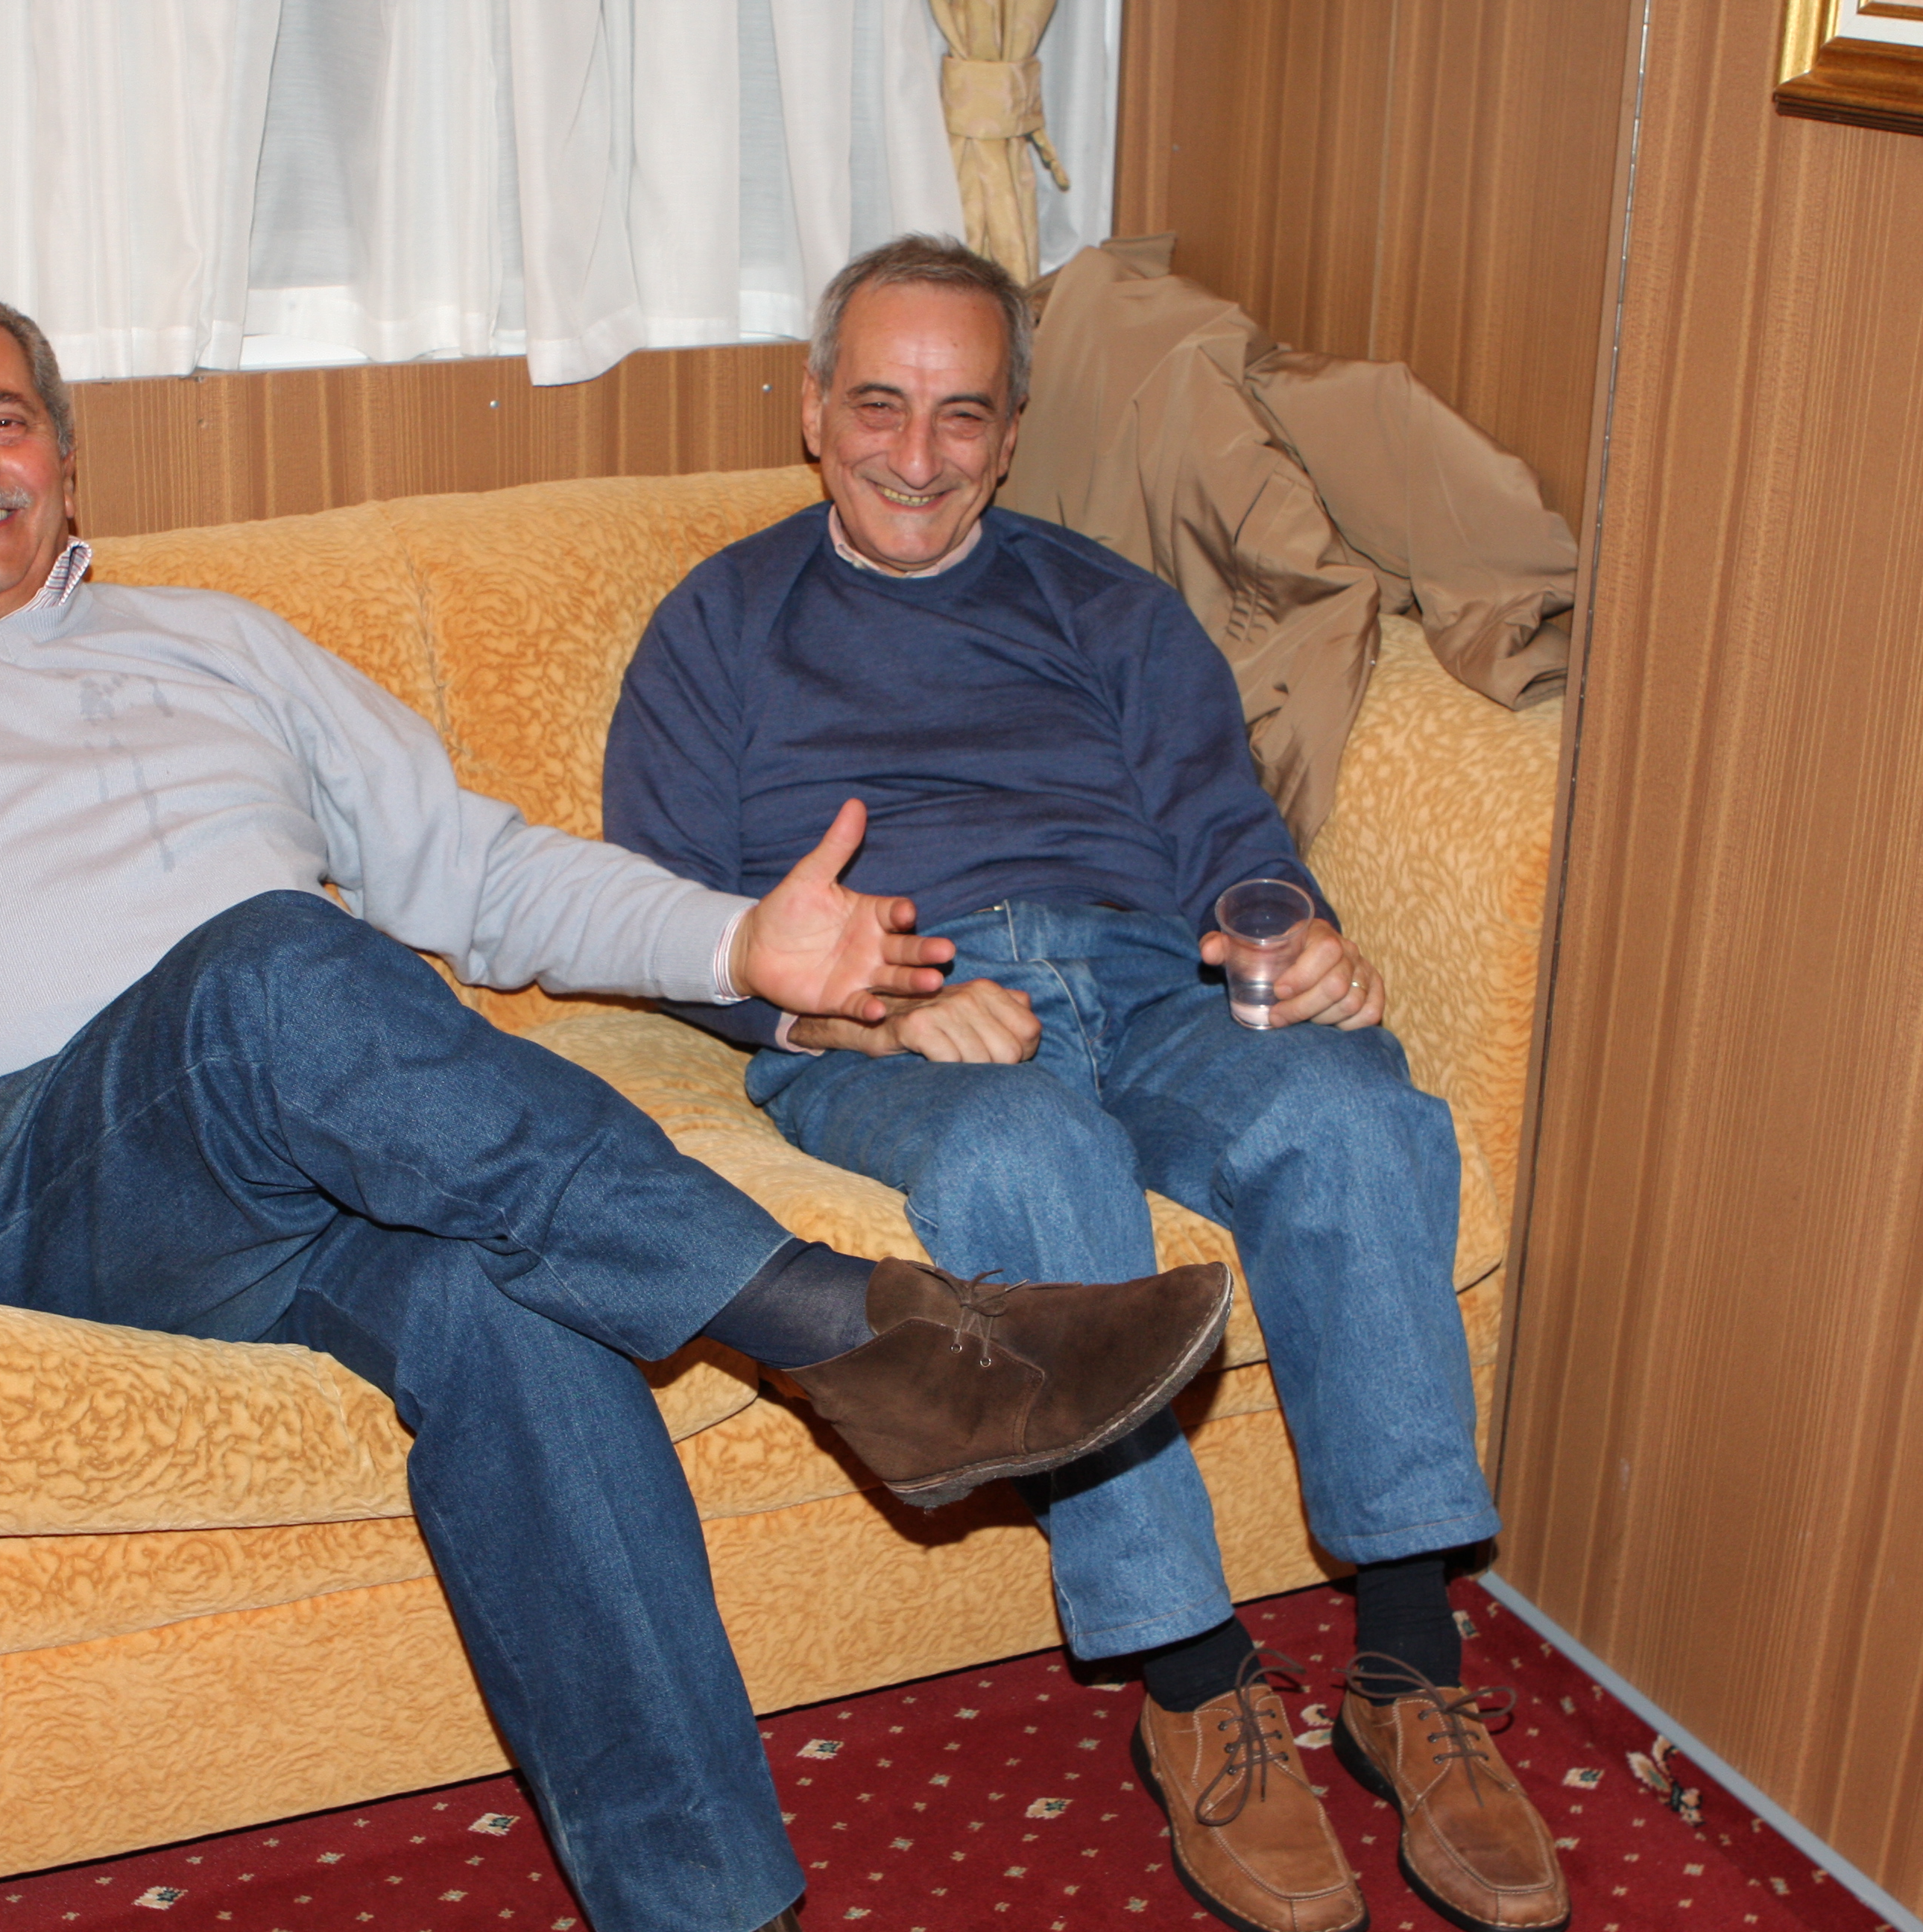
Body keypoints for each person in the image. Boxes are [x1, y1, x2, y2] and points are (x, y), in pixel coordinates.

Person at [0, 285, 1237, 1932]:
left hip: (311, 1155)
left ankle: (709, 1907)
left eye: (6, 418)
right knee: (276, 963)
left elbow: (477, 871)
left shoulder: (229, 648)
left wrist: (736, 943)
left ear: (65, 456)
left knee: (519, 1320)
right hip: (29, 1172)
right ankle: (850, 1331)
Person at [604, 236, 1573, 1932]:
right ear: (814, 412)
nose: (919, 455)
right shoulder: (718, 629)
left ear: (1012, 429)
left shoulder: (1110, 607)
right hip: (906, 1013)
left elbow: (1229, 842)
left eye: (963, 415)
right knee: (1028, 1153)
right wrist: (860, 1014)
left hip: (1151, 979)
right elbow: (663, 921)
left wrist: (1298, 943)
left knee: (1351, 1110)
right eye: (880, 407)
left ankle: (1409, 1669)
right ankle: (1195, 1684)